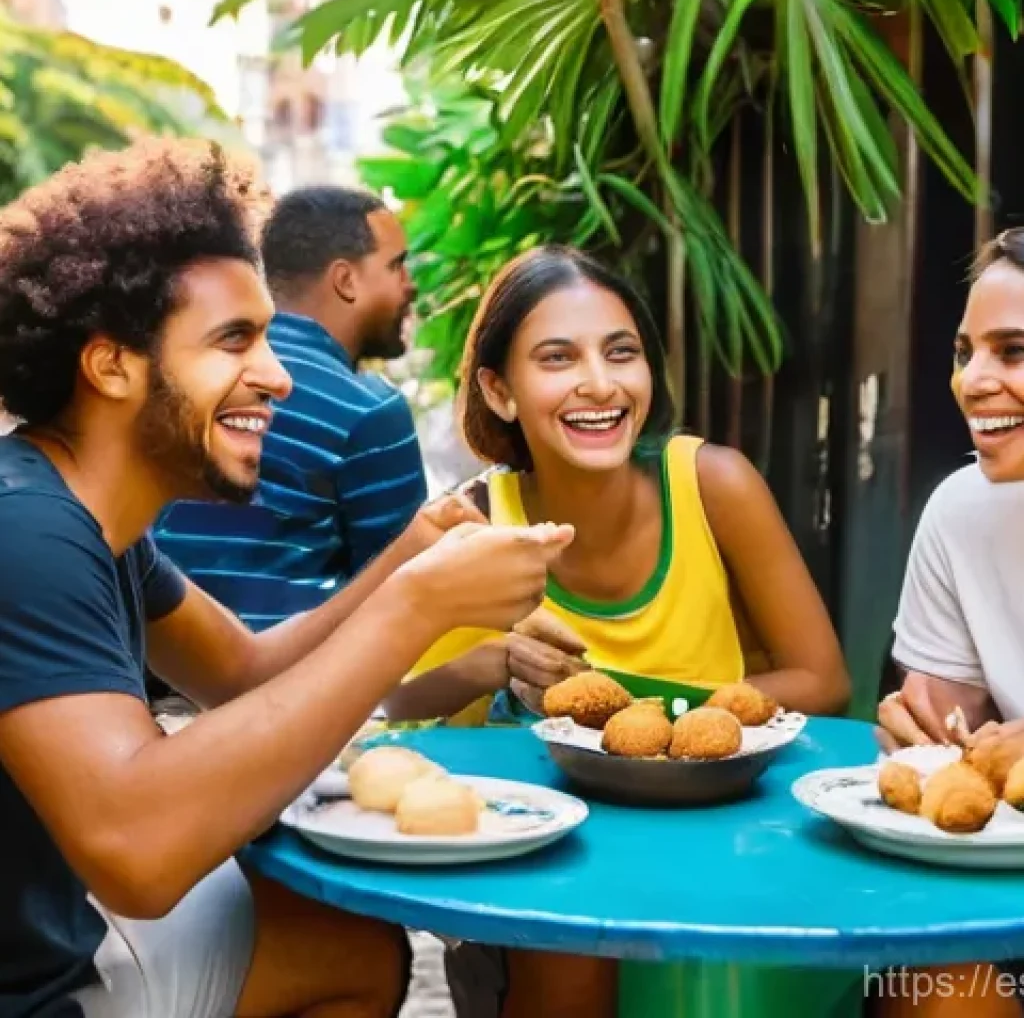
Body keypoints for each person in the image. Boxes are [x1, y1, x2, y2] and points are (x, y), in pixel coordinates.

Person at [0, 137, 573, 1018]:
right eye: (235, 340)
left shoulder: (93, 526)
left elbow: (245, 675)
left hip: (57, 939)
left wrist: (410, 555)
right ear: (111, 363)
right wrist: (417, 609)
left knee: (345, 945)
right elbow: (139, 851)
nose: (275, 377)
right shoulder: (28, 530)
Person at [384, 246, 851, 1018]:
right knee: (564, 958)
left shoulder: (712, 485)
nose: (599, 384)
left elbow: (820, 680)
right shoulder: (472, 522)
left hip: (717, 829)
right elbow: (396, 698)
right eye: (557, 358)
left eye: (621, 353)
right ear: (499, 390)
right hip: (541, 849)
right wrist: (488, 663)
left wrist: (643, 721)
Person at [154, 185, 427, 632]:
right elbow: (400, 596)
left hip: (146, 669)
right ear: (345, 280)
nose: (409, 285)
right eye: (396, 266)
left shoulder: (186, 373)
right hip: (291, 685)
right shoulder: (370, 411)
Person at [873, 228, 1024, 1018]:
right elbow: (946, 726)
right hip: (1005, 911)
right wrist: (922, 738)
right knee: (933, 984)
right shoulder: (960, 512)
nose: (976, 381)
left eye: (1015, 350)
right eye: (968, 352)